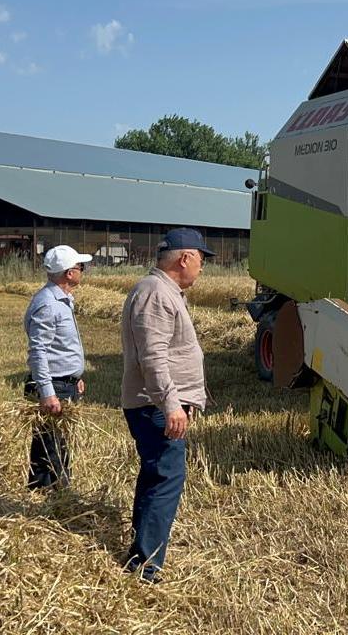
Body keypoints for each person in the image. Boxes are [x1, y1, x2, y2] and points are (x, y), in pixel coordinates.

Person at [121, 227, 215, 582]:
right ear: (185, 258)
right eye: (202, 259)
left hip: (157, 403)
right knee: (165, 480)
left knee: (155, 477)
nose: (202, 268)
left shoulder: (161, 291)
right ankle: (146, 566)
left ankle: (142, 552)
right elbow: (153, 357)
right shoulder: (156, 293)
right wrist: (171, 405)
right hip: (156, 406)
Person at [24, 244, 92, 490]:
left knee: (52, 444)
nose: (83, 270)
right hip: (54, 386)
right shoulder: (49, 304)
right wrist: (48, 391)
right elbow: (38, 351)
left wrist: (75, 376)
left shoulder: (61, 299)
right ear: (69, 274)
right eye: (80, 267)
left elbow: (58, 348)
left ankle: (43, 494)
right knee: (52, 448)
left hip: (63, 382)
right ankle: (56, 499)